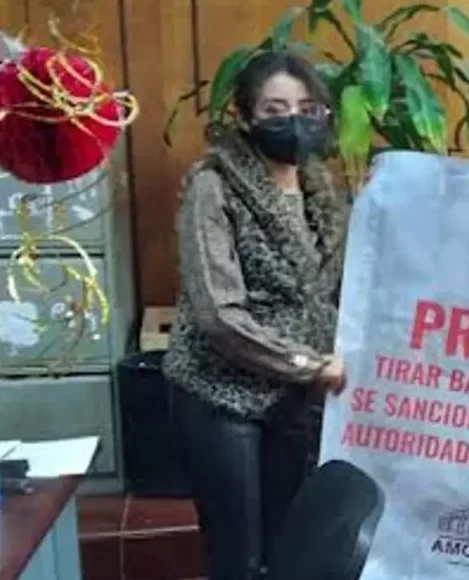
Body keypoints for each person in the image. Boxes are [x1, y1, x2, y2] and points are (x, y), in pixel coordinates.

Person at [162, 50, 350, 580]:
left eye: (307, 109)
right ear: (244, 118)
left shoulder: (322, 189)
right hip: (223, 396)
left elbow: (338, 288)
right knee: (239, 557)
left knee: (287, 548)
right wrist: (309, 364)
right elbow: (217, 314)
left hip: (295, 398)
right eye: (274, 109)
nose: (294, 121)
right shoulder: (213, 186)